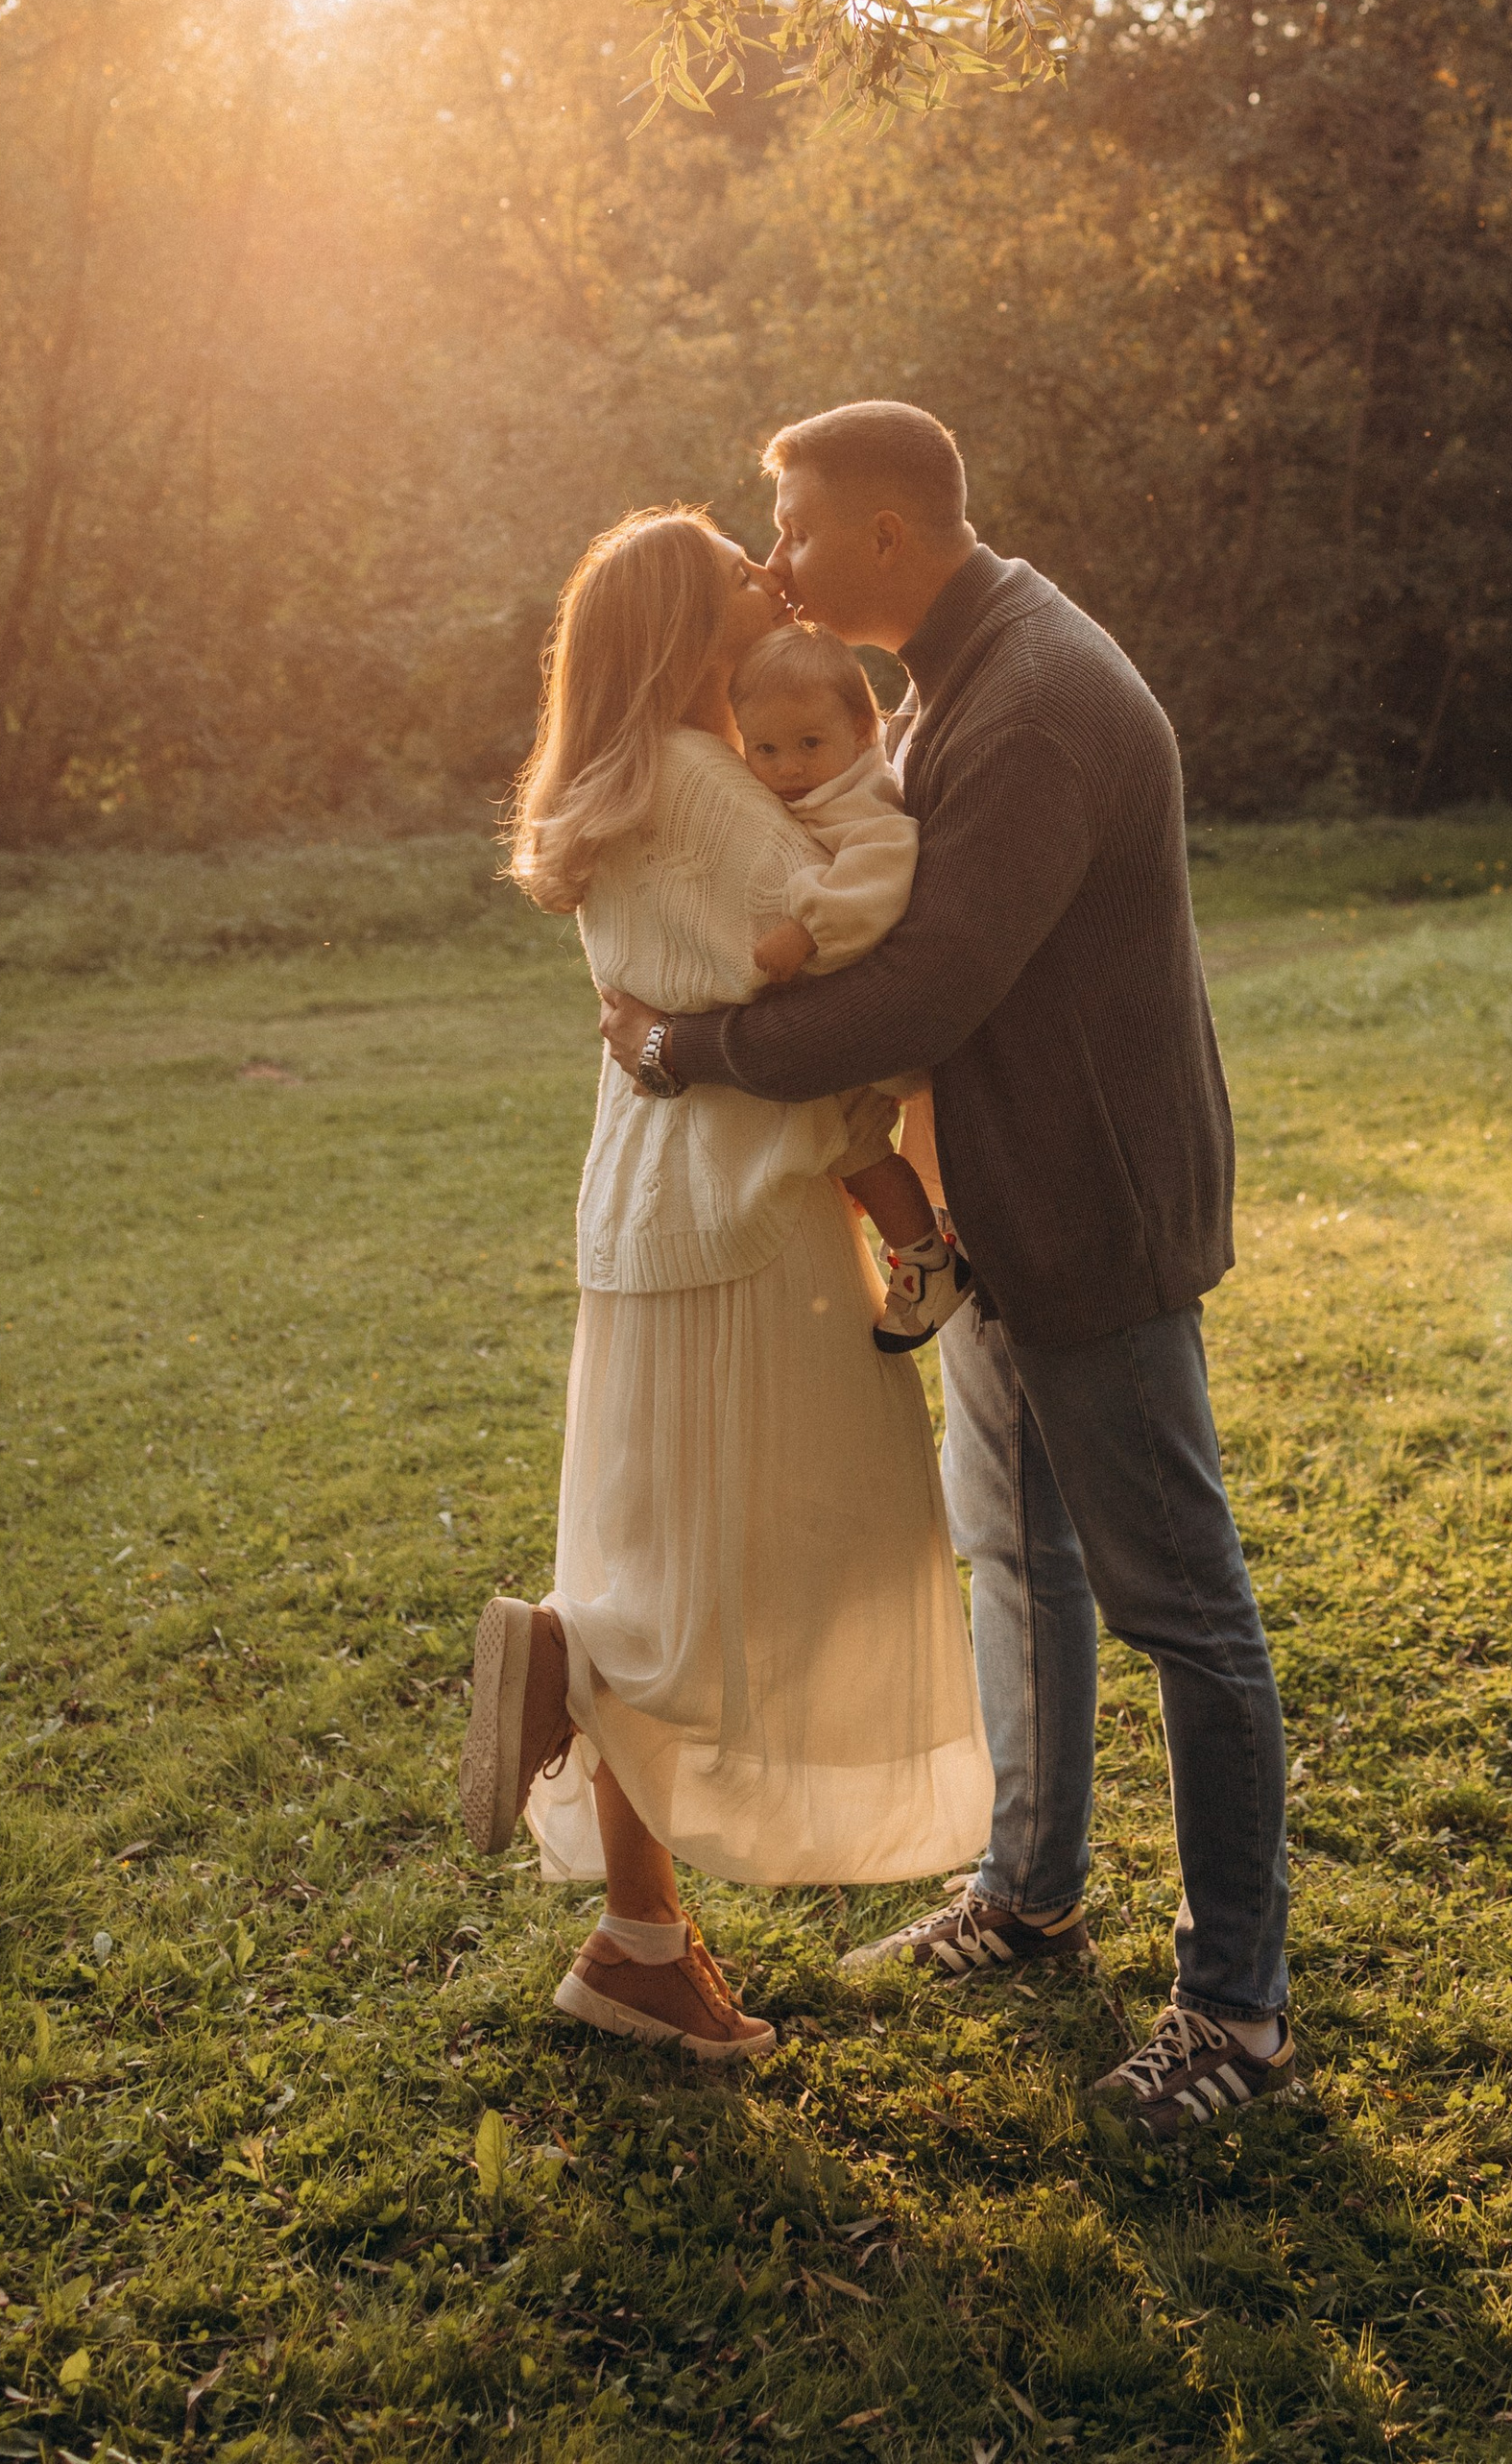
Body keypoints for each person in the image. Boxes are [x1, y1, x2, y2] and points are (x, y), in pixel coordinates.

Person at [596, 403, 1296, 2146]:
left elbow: (923, 994)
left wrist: (687, 1049)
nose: (773, 557)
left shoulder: (1038, 704)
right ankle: (1034, 1889)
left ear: (893, 536)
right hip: (994, 1207)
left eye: (793, 524)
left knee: (1183, 1610)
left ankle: (1237, 2012)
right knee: (1021, 1560)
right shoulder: (951, 685)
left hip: (1093, 1207)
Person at [457, 504, 993, 2062]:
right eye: (742, 586)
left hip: (640, 1222)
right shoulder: (700, 791)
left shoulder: (609, 795)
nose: (775, 596)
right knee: (777, 1571)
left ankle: (637, 1938)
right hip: (743, 1223)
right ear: (691, 638)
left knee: (672, 1557)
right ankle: (574, 1666)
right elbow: (857, 945)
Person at [729, 619, 969, 1349]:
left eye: (809, 744)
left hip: (869, 1014)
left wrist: (808, 927)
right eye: (764, 748)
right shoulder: (816, 790)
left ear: (864, 731)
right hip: (851, 1012)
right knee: (852, 1143)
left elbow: (884, 870)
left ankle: (930, 1262)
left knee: (855, 1142)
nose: (789, 766)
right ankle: (924, 1247)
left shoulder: (863, 798)